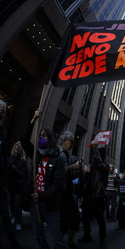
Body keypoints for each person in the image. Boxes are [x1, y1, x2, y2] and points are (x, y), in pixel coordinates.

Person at [21, 109, 68, 249]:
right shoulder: (36, 155)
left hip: (49, 204)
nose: (41, 138)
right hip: (34, 204)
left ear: (50, 139)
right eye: (40, 136)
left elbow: (58, 184)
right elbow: (24, 140)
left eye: (45, 136)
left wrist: (42, 196)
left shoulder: (58, 160)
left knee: (57, 238)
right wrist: (33, 121)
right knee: (39, 235)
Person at [77, 145, 109, 249]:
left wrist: (94, 148)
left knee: (100, 220)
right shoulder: (94, 166)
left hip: (98, 196)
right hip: (88, 195)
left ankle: (102, 240)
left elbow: (100, 162)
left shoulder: (104, 166)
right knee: (85, 217)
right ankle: (87, 235)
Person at [0, 99, 21, 248]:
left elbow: (4, 155)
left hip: (1, 181)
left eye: (4, 111)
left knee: (5, 215)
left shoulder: (3, 132)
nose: (2, 113)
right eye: (0, 110)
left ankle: (14, 244)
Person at [58, 131, 81, 249]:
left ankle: (69, 243)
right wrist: (70, 168)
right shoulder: (57, 153)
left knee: (75, 217)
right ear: (64, 141)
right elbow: (56, 171)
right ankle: (60, 244)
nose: (72, 144)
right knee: (62, 221)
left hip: (68, 191)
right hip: (59, 192)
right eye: (71, 141)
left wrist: (76, 171)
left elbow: (71, 177)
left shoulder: (69, 156)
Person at [8, 141, 28, 231]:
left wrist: (15, 169)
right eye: (15, 149)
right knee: (11, 203)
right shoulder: (10, 158)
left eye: (18, 150)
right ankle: (13, 217)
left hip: (18, 186)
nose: (16, 151)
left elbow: (24, 175)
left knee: (17, 205)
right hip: (10, 184)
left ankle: (18, 221)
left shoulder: (23, 162)